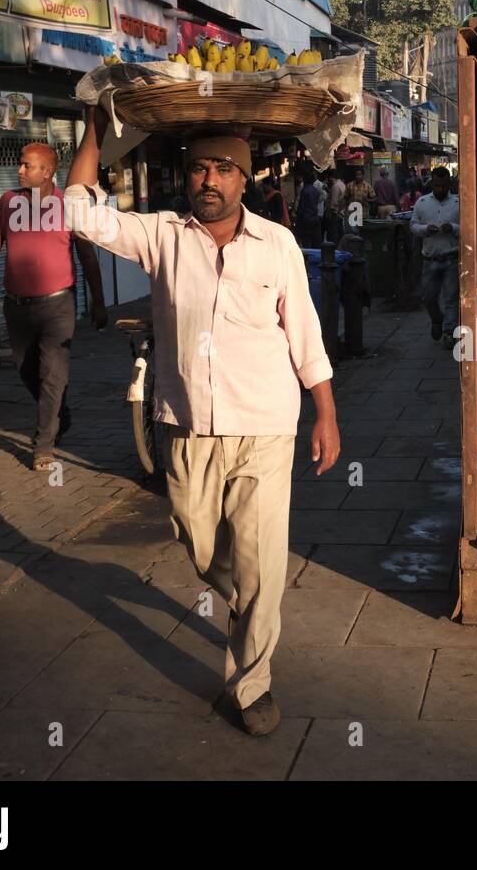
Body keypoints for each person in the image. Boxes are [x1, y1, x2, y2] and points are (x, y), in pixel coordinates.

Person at [64, 109, 340, 737]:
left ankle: (252, 684)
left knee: (263, 564)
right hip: (187, 425)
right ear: (186, 177)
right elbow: (79, 212)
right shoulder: (163, 234)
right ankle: (249, 601)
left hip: (267, 424)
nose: (209, 179)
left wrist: (325, 413)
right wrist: (91, 128)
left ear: (244, 180)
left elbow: (305, 334)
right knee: (199, 544)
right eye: (199, 168)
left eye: (222, 169)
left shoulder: (278, 244)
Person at [0, 142, 107, 471]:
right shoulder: (9, 202)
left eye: (27, 165)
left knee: (53, 374)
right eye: (20, 164)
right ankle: (60, 414)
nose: (19, 170)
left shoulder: (68, 206)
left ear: (47, 171)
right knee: (27, 371)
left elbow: (86, 255)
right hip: (17, 306)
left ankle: (43, 445)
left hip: (58, 306)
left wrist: (98, 301)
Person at [409, 166, 460, 349]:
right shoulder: (422, 203)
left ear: (448, 184)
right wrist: (425, 230)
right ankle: (437, 320)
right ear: (432, 183)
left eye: (443, 186)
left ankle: (449, 332)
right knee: (429, 297)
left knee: (451, 298)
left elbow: (468, 229)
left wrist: (453, 228)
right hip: (430, 259)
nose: (440, 189)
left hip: (451, 258)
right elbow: (413, 225)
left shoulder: (458, 203)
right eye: (437, 185)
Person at [294, 166, 323, 247]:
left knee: (306, 240)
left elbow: (301, 206)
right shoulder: (315, 190)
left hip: (306, 219)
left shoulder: (305, 190)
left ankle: (307, 257)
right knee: (315, 241)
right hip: (315, 218)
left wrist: (298, 217)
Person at [325, 168, 347, 239]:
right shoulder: (342, 184)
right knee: (340, 233)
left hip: (335, 214)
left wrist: (330, 214)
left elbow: (333, 203)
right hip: (341, 212)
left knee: (334, 235)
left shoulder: (335, 186)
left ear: (331, 177)